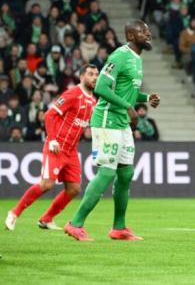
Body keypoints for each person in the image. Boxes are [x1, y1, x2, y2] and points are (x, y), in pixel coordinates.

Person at [64, 20, 160, 241]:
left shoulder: (136, 59)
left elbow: (127, 93)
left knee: (126, 174)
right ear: (130, 36)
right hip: (107, 119)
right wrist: (128, 107)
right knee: (107, 172)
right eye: (142, 31)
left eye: (148, 30)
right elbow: (100, 88)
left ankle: (119, 228)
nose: (148, 33)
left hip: (121, 123)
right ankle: (75, 223)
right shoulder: (119, 56)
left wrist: (145, 98)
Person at [5, 65, 98, 231]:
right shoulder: (72, 93)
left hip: (71, 150)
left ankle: (46, 219)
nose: (94, 77)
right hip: (56, 146)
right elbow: (50, 115)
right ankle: (14, 213)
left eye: (96, 75)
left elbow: (82, 123)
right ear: (82, 76)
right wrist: (53, 139)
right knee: (46, 184)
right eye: (90, 74)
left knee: (74, 189)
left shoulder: (93, 100)